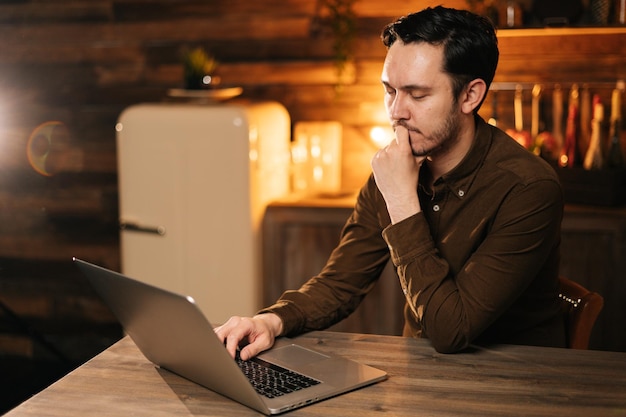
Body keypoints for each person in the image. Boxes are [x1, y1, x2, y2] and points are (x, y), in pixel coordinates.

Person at [215, 6, 566, 359]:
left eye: (417, 94)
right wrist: (271, 321)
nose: (396, 111)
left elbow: (451, 330)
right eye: (390, 91)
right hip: (422, 375)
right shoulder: (395, 167)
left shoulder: (529, 188)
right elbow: (342, 281)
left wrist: (401, 200)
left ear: (470, 96)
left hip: (519, 380)